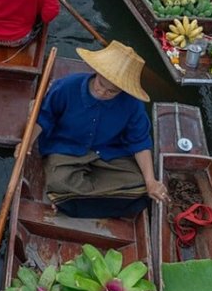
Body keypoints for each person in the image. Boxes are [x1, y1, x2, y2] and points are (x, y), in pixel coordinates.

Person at [34, 41, 169, 218]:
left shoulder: (132, 103)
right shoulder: (66, 87)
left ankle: (68, 200)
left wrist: (151, 181)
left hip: (107, 153)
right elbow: (44, 118)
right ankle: (76, 198)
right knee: (58, 181)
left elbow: (140, 142)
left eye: (112, 91)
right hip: (66, 150)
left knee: (141, 184)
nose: (102, 92)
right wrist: (27, 143)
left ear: (122, 90)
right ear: (97, 73)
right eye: (100, 84)